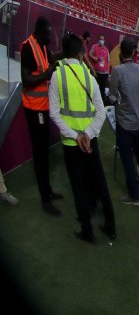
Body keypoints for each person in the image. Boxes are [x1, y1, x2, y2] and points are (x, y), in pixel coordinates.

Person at [48, 33, 115, 243]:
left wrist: (75, 136)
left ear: (64, 52)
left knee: (78, 186)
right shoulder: (89, 76)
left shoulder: (57, 76)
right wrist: (87, 134)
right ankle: (111, 227)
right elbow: (101, 113)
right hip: (90, 141)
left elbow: (54, 113)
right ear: (80, 54)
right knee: (100, 183)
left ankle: (88, 231)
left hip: (71, 143)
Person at [20, 17, 64, 216]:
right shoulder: (28, 47)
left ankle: (48, 191)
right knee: (40, 154)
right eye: (47, 34)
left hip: (43, 107)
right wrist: (45, 75)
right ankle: (45, 199)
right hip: (34, 108)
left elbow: (52, 57)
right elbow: (26, 79)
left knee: (44, 152)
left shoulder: (42, 46)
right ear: (39, 32)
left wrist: (68, 49)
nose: (49, 38)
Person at [109, 38, 139, 206]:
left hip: (124, 122)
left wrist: (116, 100)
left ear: (121, 52)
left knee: (127, 159)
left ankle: (134, 194)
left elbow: (112, 95)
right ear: (134, 52)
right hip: (138, 121)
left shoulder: (117, 71)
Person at [89, 33, 111, 101]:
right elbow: (89, 55)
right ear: (98, 40)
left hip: (104, 74)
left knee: (102, 90)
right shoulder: (94, 46)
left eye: (102, 39)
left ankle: (102, 102)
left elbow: (108, 61)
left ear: (104, 41)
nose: (101, 40)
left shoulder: (106, 50)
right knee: (94, 89)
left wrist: (108, 73)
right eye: (100, 39)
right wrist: (94, 58)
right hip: (96, 72)